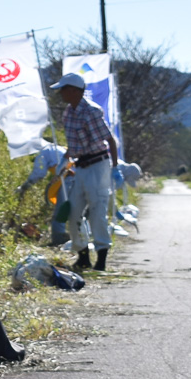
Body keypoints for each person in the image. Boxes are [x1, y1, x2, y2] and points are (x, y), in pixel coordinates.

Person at [51, 71, 120, 272]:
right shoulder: (68, 113)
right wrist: (64, 161)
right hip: (80, 166)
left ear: (75, 91)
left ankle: (101, 256)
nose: (61, 93)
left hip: (98, 165)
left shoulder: (91, 111)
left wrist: (115, 167)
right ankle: (82, 255)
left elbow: (109, 140)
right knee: (73, 212)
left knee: (97, 212)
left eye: (64, 89)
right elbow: (74, 146)